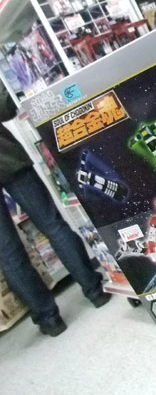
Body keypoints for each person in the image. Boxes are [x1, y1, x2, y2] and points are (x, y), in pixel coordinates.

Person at [0, 83, 110, 336]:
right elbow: (5, 107)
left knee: (7, 253)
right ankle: (95, 291)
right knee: (53, 225)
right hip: (8, 159)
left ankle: (49, 320)